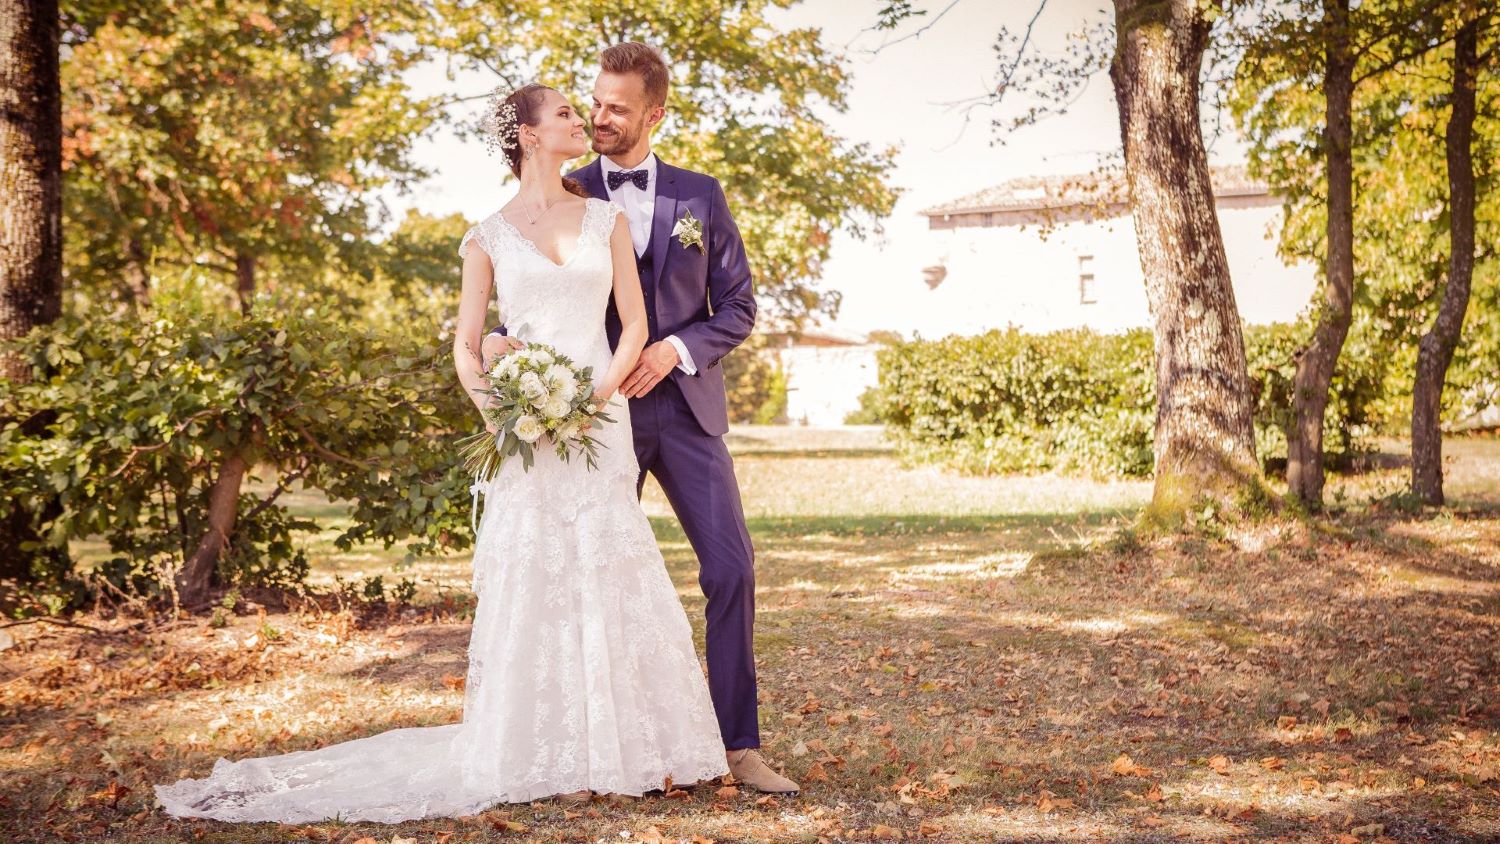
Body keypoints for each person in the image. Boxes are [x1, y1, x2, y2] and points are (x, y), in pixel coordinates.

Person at [152, 81, 730, 823]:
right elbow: (465, 344)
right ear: (526, 135)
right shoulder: (486, 234)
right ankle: (532, 744)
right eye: (562, 114)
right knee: (535, 570)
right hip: (524, 433)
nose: (578, 123)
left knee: (609, 561)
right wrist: (502, 410)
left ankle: (625, 744)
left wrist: (595, 397)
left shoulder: (607, 219)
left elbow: (633, 327)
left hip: (598, 421)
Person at [483, 42, 798, 795]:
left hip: (686, 414)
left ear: (654, 114)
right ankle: (596, 746)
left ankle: (739, 746)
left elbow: (741, 307)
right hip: (591, 423)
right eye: (593, 102)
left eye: (617, 108)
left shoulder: (701, 195)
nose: (598, 117)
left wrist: (679, 348)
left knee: (731, 569)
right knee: (584, 576)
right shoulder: (564, 184)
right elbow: (519, 283)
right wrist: (497, 339)